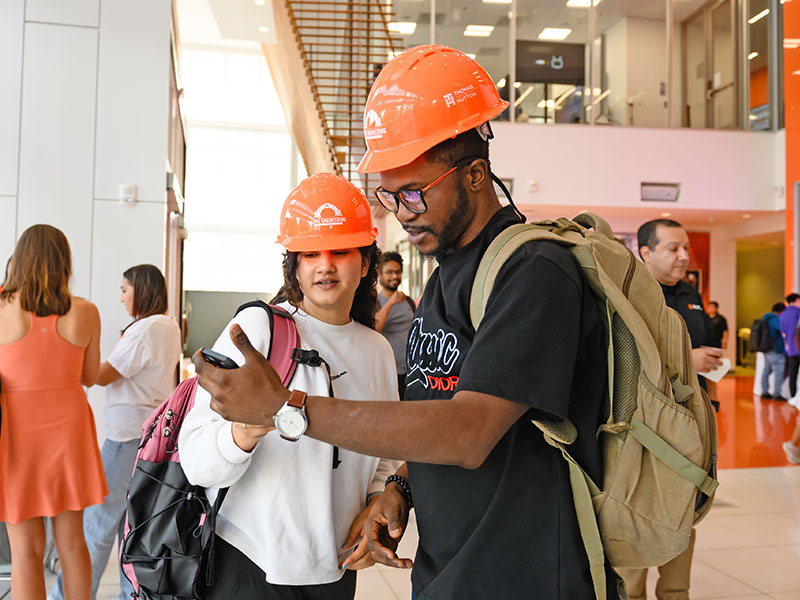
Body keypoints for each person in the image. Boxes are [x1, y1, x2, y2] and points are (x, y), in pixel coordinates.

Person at [192, 46, 621, 599]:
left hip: (525, 573)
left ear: (474, 174)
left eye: (414, 192)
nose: (402, 211)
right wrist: (398, 486)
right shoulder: (445, 276)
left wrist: (285, 408)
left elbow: (468, 432)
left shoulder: (533, 271)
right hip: (448, 568)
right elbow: (431, 412)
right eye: (388, 195)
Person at [179, 173, 400, 599]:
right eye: (310, 252)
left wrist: (376, 501)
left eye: (340, 250)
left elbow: (385, 454)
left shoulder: (377, 351)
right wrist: (247, 428)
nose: (325, 264)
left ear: (366, 262)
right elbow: (197, 462)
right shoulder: (259, 329)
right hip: (247, 562)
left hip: (335, 567)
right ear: (294, 265)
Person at [48, 265, 181, 600]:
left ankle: (67, 597)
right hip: (148, 436)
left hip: (125, 439)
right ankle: (130, 595)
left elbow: (102, 375)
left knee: (96, 525)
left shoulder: (144, 329)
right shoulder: (168, 326)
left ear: (142, 289)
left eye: (125, 290)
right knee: (129, 526)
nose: (121, 297)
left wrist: (61, 355)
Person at [0, 224, 107, 600]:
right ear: (65, 262)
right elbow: (91, 376)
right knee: (73, 543)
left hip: (16, 434)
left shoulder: (0, 305)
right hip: (68, 432)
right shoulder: (86, 312)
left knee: (24, 552)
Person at [619, 218, 723, 600]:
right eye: (673, 249)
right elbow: (623, 361)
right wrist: (686, 361)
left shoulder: (691, 294)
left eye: (686, 248)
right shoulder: (629, 295)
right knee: (638, 514)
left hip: (692, 426)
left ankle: (676, 592)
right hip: (645, 430)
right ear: (645, 253)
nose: (684, 256)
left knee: (684, 510)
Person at [374, 251, 415, 399]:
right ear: (380, 275)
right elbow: (375, 328)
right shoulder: (375, 303)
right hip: (390, 371)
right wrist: (390, 303)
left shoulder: (408, 301)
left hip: (412, 370)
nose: (394, 276)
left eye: (397, 272)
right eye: (389, 272)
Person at [759, 302, 786, 401]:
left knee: (766, 371)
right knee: (779, 371)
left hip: (766, 349)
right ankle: (776, 394)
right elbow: (782, 329)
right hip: (775, 349)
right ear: (781, 311)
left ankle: (764, 392)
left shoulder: (765, 318)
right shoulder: (775, 319)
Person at [779, 293, 800, 398]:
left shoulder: (783, 314)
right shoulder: (798, 312)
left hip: (790, 349)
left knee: (793, 374)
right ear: (797, 300)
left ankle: (793, 396)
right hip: (798, 347)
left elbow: (782, 332)